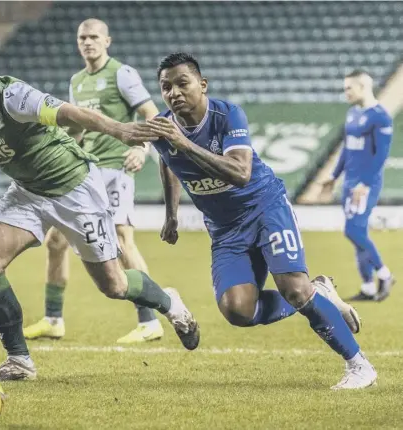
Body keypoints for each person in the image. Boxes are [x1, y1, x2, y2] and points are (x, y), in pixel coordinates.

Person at [0, 34, 200, 382]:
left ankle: (170, 303)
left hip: (75, 188)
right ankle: (19, 360)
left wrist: (121, 131)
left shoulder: (13, 95)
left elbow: (70, 112)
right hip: (28, 193)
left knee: (114, 286)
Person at [144, 52, 376, 390]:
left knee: (294, 289)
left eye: (182, 83)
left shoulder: (227, 115)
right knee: (238, 311)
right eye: (166, 88)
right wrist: (171, 215)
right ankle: (320, 291)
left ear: (202, 84)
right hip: (225, 229)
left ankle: (359, 366)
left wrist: (185, 145)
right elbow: (167, 161)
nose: (174, 93)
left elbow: (240, 173)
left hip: (265, 208)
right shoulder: (164, 130)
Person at [23, 19, 164, 344]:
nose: (88, 42)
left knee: (121, 238)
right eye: (82, 37)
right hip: (85, 172)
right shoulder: (77, 82)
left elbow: (151, 114)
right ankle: (53, 319)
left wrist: (143, 149)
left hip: (116, 167)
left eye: (94, 37)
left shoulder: (121, 74)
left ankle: (149, 320)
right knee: (56, 240)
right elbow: (78, 129)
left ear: (107, 41)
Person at [319, 70, 395, 302]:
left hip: (365, 184)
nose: (346, 93)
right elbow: (346, 149)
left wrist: (365, 183)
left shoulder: (381, 117)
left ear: (363, 86)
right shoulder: (353, 113)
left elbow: (381, 155)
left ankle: (385, 274)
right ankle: (368, 287)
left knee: (353, 230)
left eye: (349, 88)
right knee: (358, 234)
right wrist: (334, 175)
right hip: (349, 183)